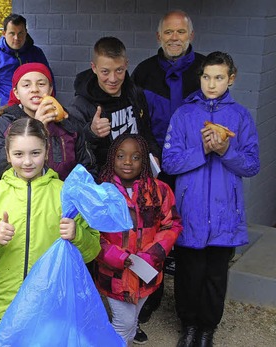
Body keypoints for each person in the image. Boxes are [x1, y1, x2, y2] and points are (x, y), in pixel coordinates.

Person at [163, 52, 260, 347]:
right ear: (200, 77)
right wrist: (203, 151)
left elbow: (252, 165)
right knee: (189, 274)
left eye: (219, 77)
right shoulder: (184, 114)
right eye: (206, 77)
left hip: (224, 213)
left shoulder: (241, 116)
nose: (211, 83)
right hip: (190, 210)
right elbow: (170, 162)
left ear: (231, 79)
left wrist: (225, 152)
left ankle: (207, 329)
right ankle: (189, 325)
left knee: (215, 276)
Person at [0, 117, 101, 321]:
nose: (27, 161)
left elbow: (92, 251)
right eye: (19, 154)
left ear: (46, 152)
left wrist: (77, 234)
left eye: (35, 153)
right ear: (8, 155)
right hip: (5, 307)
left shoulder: (65, 194)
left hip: (52, 306)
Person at [130, 10, 205, 342]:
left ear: (190, 35)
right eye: (168, 32)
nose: (174, 37)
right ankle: (150, 296)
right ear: (158, 36)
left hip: (193, 170)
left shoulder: (205, 71)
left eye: (181, 32)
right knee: (151, 233)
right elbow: (135, 122)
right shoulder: (144, 72)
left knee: (186, 235)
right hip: (155, 168)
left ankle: (188, 312)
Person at [94, 134, 182, 345]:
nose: (127, 162)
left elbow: (171, 224)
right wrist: (116, 256)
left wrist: (152, 255)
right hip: (115, 274)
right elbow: (92, 233)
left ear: (145, 161)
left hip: (146, 272)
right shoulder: (102, 192)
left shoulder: (159, 190)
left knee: (132, 323)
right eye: (121, 156)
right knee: (123, 324)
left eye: (136, 157)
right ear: (111, 159)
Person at [0, 62, 95, 180]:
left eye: (41, 84)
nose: (34, 89)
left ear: (50, 89)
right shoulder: (3, 124)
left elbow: (88, 167)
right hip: (22, 197)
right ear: (16, 93)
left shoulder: (68, 122)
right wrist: (35, 127)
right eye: (26, 85)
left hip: (63, 195)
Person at [68, 36, 161, 173]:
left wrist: (154, 154)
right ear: (94, 67)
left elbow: (146, 130)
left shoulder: (135, 93)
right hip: (105, 184)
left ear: (126, 65)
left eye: (119, 70)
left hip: (137, 179)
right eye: (105, 71)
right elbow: (74, 152)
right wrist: (92, 133)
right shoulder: (81, 105)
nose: (113, 79)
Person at [0, 13, 53, 118]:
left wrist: (47, 106)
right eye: (12, 33)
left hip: (35, 112)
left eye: (20, 33)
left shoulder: (36, 53)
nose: (16, 38)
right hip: (6, 113)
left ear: (26, 33)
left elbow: (49, 82)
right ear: (4, 33)